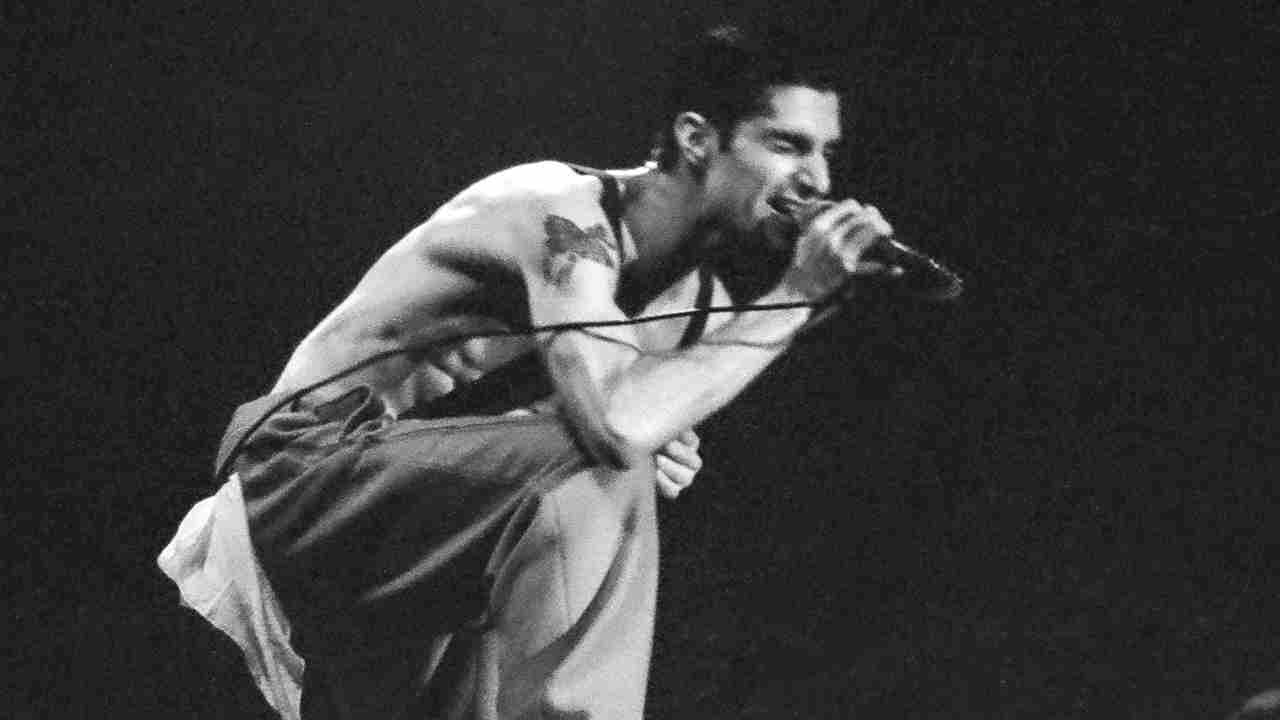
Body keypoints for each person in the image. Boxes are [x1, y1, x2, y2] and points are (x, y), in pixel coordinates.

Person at [159, 24, 894, 720]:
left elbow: (620, 433)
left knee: (601, 477)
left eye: (827, 153)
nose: (819, 179)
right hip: (302, 481)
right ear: (697, 138)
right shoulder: (559, 212)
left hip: (444, 544)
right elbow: (612, 431)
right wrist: (793, 300)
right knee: (601, 466)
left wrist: (664, 438)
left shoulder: (695, 303)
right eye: (789, 145)